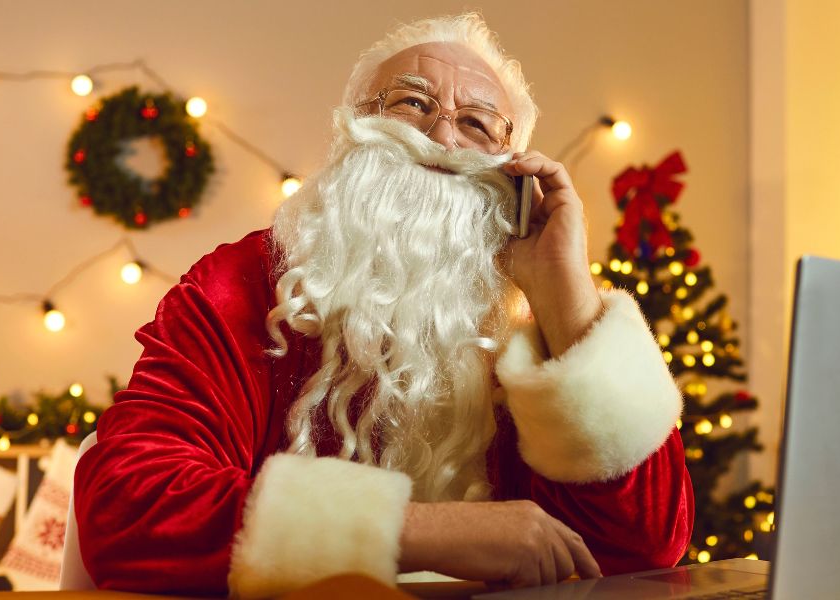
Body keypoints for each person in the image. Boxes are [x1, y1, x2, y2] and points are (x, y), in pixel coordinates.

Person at [73, 12, 693, 598]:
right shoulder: (245, 284)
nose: (442, 135)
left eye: (478, 123)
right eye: (412, 104)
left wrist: (564, 290)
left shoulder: (530, 321)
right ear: (351, 133)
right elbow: (129, 503)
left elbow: (644, 545)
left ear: (513, 175)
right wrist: (419, 532)